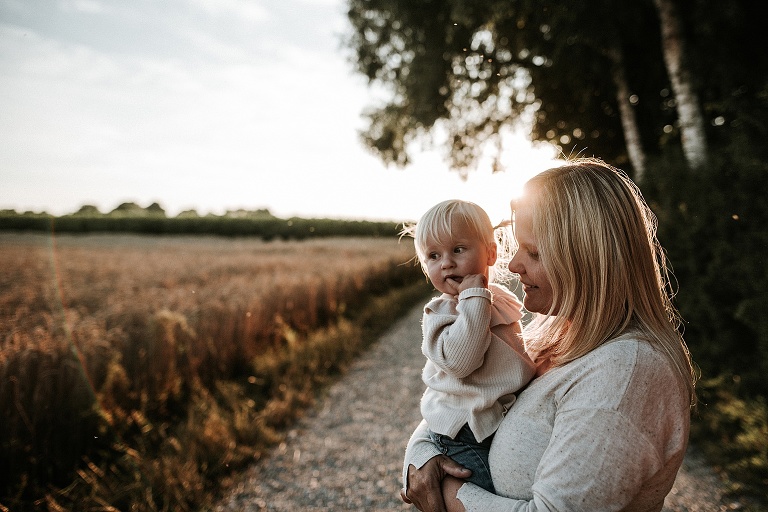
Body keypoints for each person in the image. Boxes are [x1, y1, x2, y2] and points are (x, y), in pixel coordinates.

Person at [401, 159, 697, 512]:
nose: (512, 265)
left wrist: (448, 494)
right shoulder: (556, 338)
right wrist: (419, 458)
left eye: (535, 252)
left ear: (587, 258)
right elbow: (457, 401)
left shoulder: (626, 372)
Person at [401, 199, 537, 494]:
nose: (446, 262)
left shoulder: (495, 299)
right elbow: (463, 362)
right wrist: (474, 298)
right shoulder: (442, 313)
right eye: (433, 256)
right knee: (490, 488)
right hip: (464, 432)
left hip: (492, 419)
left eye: (458, 250)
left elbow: (513, 349)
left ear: (490, 252)